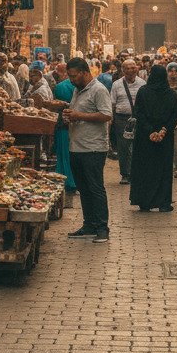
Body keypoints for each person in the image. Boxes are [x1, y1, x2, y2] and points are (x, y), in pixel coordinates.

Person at [64, 57, 113, 243]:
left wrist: (79, 115)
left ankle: (102, 228)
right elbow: (78, 113)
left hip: (93, 148)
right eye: (69, 76)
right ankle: (89, 225)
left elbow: (107, 115)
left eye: (74, 76)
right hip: (76, 146)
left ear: (85, 73)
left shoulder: (98, 90)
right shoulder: (77, 90)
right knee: (83, 188)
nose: (71, 79)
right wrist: (70, 116)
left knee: (95, 188)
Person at [129, 65, 177, 213]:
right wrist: (164, 131)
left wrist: (150, 131)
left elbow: (138, 112)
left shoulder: (143, 92)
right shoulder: (171, 94)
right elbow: (175, 115)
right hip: (164, 140)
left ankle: (144, 201)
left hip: (145, 139)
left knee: (145, 168)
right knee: (163, 169)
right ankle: (163, 202)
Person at [110, 57, 146, 184]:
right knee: (123, 147)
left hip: (138, 119)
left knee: (138, 146)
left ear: (137, 69)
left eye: (133, 68)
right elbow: (112, 104)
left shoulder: (142, 83)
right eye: (128, 68)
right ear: (123, 70)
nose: (131, 70)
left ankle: (137, 172)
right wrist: (111, 121)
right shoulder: (116, 85)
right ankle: (125, 174)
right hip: (122, 119)